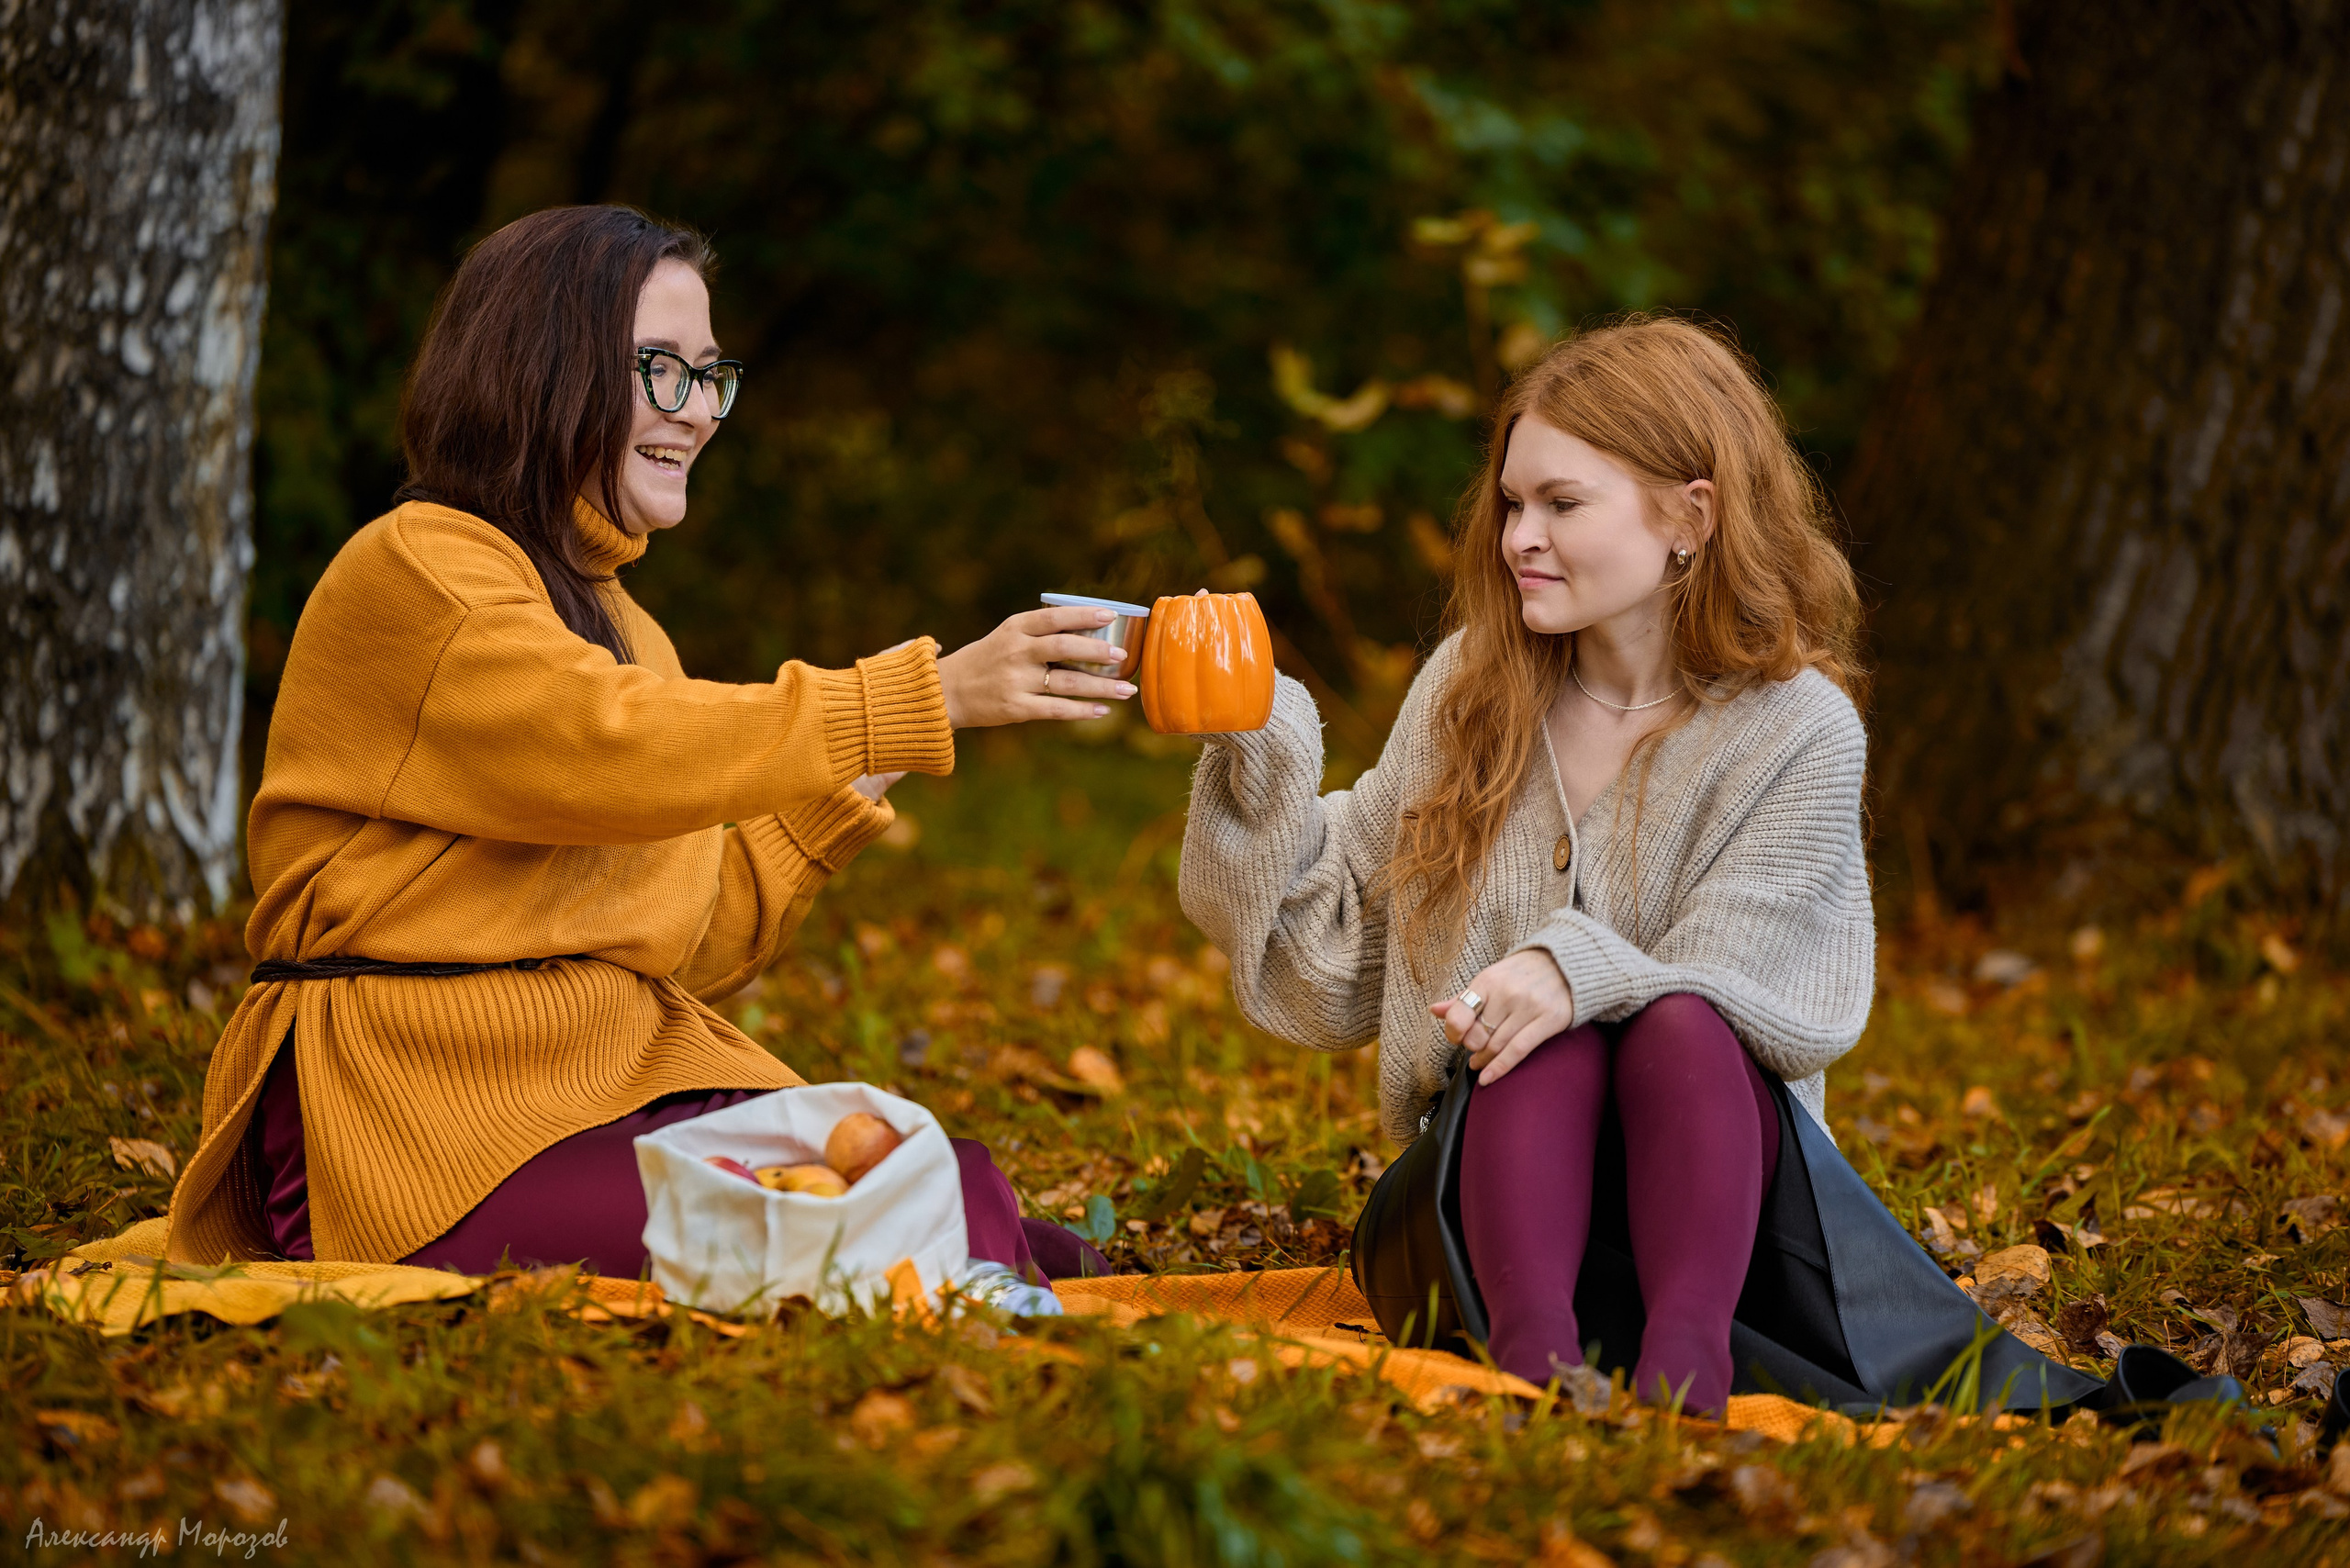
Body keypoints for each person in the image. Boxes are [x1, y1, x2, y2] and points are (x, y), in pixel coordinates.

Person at [163, 205, 1113, 1283]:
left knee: (953, 1185)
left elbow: (682, 929)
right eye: (660, 368)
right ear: (540, 372)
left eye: (711, 374)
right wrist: (915, 696)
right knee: (913, 1225)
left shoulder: (625, 625)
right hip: (419, 1119)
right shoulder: (421, 569)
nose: (698, 410)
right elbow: (607, 743)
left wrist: (871, 759)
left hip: (600, 1077)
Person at [1180, 316, 1879, 1415]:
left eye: (1561, 503)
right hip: (1486, 1225)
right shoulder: (1473, 687)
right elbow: (1328, 962)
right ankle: (1531, 1368)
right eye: (1512, 502)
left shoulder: (1798, 731)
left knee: (1675, 1019)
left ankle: (1685, 1372)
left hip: (1716, 1227)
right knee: (1526, 1044)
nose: (1518, 537)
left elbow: (1765, 996)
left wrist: (1569, 969)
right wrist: (1257, 745)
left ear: (1689, 517)